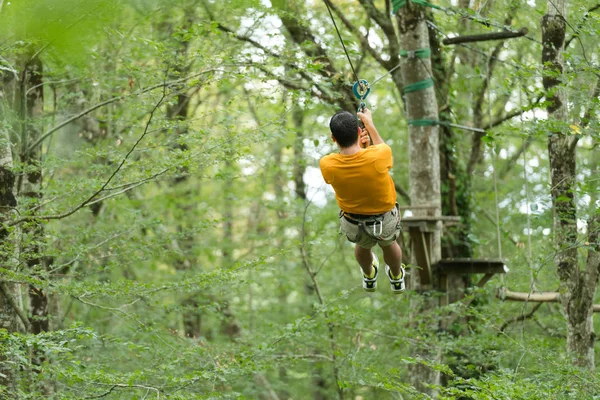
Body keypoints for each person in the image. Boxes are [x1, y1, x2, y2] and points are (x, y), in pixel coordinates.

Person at [319, 107, 405, 293]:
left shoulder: (328, 165)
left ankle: (368, 273)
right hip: (385, 218)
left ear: (333, 138)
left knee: (362, 246)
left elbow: (354, 163)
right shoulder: (377, 156)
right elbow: (383, 151)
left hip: (354, 221)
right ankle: (397, 276)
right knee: (389, 244)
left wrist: (359, 146)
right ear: (359, 131)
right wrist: (369, 123)